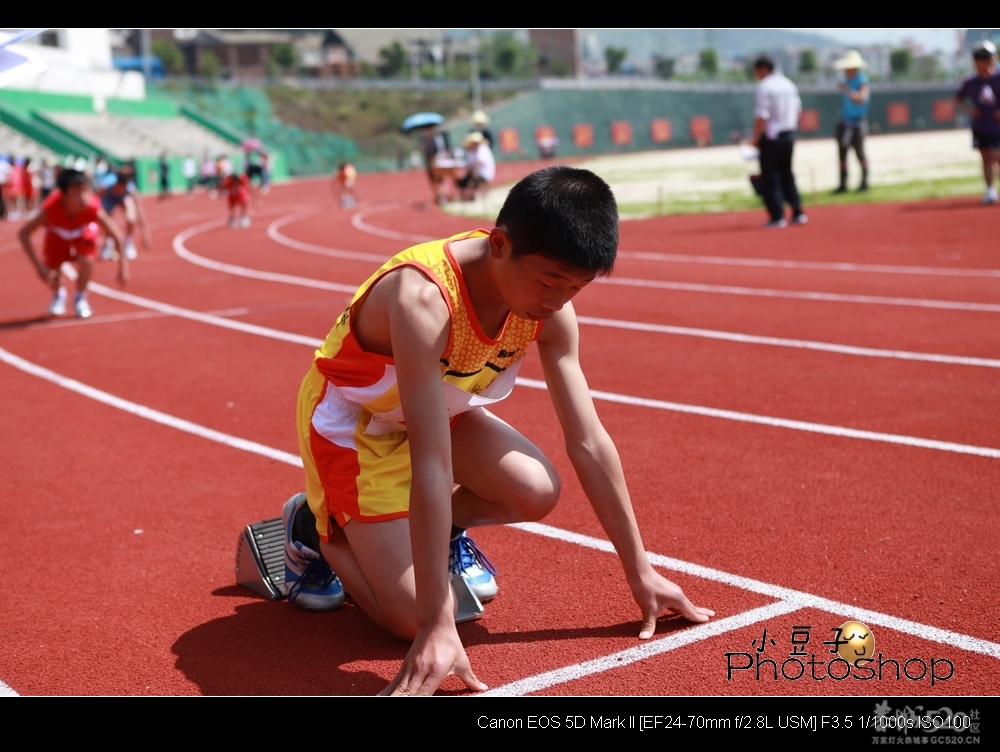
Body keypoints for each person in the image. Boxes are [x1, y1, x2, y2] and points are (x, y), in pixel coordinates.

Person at [284, 165, 714, 696]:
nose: (558, 300)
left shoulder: (550, 308)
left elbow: (589, 440)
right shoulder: (422, 301)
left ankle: (433, 535)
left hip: (437, 411)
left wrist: (640, 570)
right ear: (499, 244)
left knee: (536, 490)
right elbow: (432, 464)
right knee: (409, 619)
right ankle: (316, 528)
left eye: (577, 287)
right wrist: (434, 625)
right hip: (357, 425)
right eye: (550, 281)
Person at [18, 168, 127, 318]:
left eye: (86, 190)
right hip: (57, 232)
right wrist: (38, 267)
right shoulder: (50, 208)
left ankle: (80, 297)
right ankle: (58, 294)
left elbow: (116, 234)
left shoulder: (92, 207)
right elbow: (23, 233)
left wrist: (123, 267)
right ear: (63, 195)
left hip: (82, 230)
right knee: (52, 272)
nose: (83, 197)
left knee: (87, 259)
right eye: (77, 193)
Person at [751, 55, 806, 228]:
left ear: (762, 69)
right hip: (789, 134)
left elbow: (762, 115)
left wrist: (756, 137)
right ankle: (797, 212)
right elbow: (798, 110)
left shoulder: (764, 87)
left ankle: (777, 216)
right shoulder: (789, 84)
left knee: (770, 177)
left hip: (772, 137)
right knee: (787, 174)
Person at [955, 40, 1000, 205]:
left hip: (998, 126)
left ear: (994, 58)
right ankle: (990, 191)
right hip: (981, 125)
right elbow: (958, 98)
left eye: (986, 57)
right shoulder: (971, 81)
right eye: (979, 58)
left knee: (997, 156)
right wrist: (970, 111)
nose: (983, 61)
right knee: (986, 157)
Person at [833, 50, 871, 193]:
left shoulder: (863, 80)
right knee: (842, 154)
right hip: (845, 121)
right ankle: (843, 184)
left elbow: (861, 99)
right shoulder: (845, 81)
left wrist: (847, 90)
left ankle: (864, 183)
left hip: (857, 123)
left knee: (859, 153)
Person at [98, 167, 150, 261]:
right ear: (117, 184)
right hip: (109, 200)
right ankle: (108, 243)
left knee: (131, 217)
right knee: (105, 221)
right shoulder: (106, 184)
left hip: (123, 200)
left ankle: (128, 243)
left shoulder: (130, 188)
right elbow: (95, 199)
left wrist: (146, 235)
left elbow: (139, 212)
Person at [456, 131, 495, 201]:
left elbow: (480, 162)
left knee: (472, 179)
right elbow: (470, 165)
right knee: (462, 180)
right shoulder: (472, 151)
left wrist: (473, 172)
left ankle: (470, 196)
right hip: (477, 173)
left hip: (484, 174)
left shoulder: (482, 148)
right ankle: (467, 196)